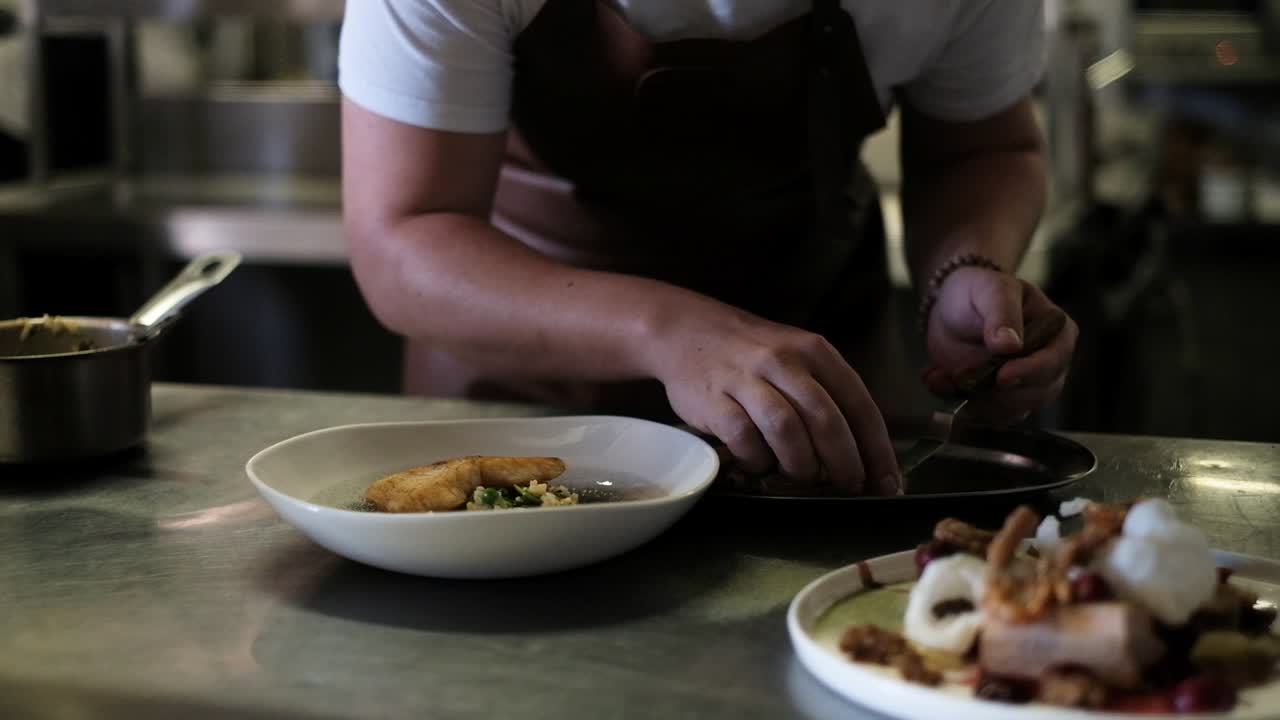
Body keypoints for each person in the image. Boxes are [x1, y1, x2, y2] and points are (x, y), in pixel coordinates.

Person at [336, 0, 1079, 497]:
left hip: (814, 403)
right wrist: (666, 331)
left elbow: (981, 150)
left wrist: (963, 269)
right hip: (527, 401)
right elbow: (404, 236)